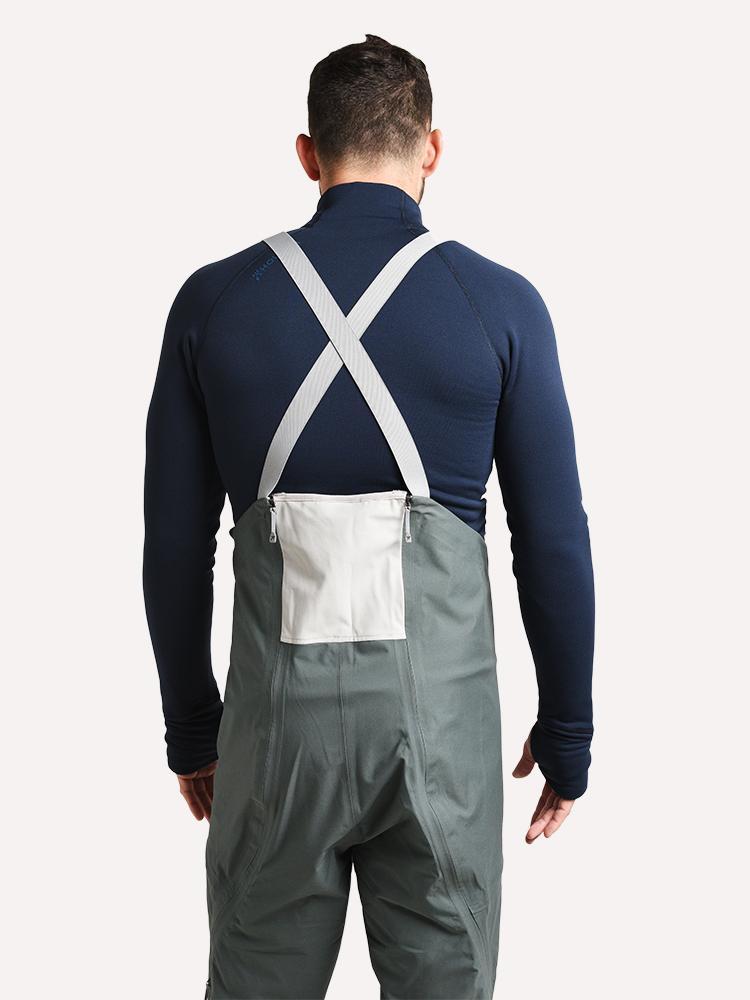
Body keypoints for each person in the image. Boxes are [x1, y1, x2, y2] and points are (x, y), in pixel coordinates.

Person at [144, 33, 594, 1000]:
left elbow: (175, 548)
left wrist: (192, 729)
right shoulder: (502, 305)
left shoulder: (212, 303)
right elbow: (552, 541)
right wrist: (568, 726)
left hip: (274, 742)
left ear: (308, 154)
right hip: (442, 742)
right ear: (433, 149)